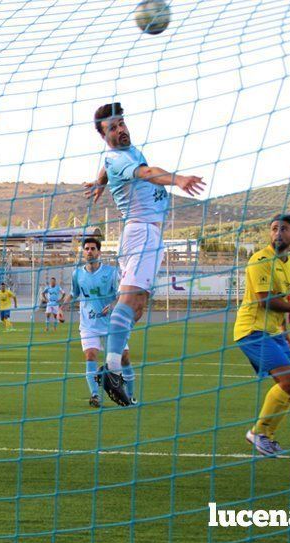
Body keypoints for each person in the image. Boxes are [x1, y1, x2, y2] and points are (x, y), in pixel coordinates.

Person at [87, 102, 205, 406]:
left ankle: (112, 364)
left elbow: (110, 167)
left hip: (148, 235)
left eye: (122, 123)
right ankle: (111, 369)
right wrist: (177, 180)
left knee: (137, 306)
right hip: (141, 232)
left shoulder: (123, 153)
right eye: (112, 128)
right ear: (104, 136)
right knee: (128, 302)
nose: (121, 129)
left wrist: (100, 183)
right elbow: (148, 172)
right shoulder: (119, 159)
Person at [234, 215, 290, 457]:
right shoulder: (260, 259)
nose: (278, 233)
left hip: (273, 332)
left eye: (284, 229)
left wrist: (284, 330)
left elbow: (282, 297)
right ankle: (258, 433)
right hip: (252, 330)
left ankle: (266, 436)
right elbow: (266, 300)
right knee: (289, 381)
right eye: (274, 229)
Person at [64, 237, 133, 407]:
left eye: (93, 248)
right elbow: (73, 293)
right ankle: (95, 395)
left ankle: (130, 395)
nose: (89, 251)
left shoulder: (111, 272)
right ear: (83, 252)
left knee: (124, 358)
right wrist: (61, 307)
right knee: (90, 355)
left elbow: (121, 295)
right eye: (86, 248)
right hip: (89, 325)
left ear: (99, 252)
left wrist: (112, 305)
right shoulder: (77, 274)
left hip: (112, 324)